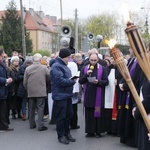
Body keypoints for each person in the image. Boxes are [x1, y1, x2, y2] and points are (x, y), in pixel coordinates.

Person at [79, 53, 109, 138]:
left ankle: (98, 131)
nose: (93, 62)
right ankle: (90, 131)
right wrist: (86, 74)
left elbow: (106, 82)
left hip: (98, 94)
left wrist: (98, 81)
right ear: (89, 60)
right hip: (88, 94)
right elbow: (80, 81)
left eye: (95, 60)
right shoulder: (85, 68)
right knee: (89, 113)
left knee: (98, 113)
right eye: (91, 60)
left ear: (98, 60)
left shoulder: (102, 69)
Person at [50, 48, 76, 144]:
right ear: (64, 57)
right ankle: (61, 135)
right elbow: (60, 80)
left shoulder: (63, 65)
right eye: (68, 57)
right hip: (60, 95)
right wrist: (72, 82)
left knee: (69, 115)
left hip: (66, 94)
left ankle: (66, 133)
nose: (69, 59)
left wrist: (71, 80)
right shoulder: (56, 66)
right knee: (61, 117)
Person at [23, 53, 49, 131]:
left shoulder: (28, 69)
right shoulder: (44, 68)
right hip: (41, 91)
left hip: (31, 91)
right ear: (40, 60)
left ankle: (32, 124)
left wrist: (28, 89)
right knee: (40, 108)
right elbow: (48, 78)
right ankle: (40, 125)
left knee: (31, 108)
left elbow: (25, 82)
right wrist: (46, 86)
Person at [0, 48, 13, 132]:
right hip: (1, 91)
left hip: (3, 91)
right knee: (2, 110)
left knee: (3, 110)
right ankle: (3, 127)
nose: (4, 55)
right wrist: (5, 80)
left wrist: (7, 78)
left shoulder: (2, 64)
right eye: (3, 54)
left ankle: (4, 126)